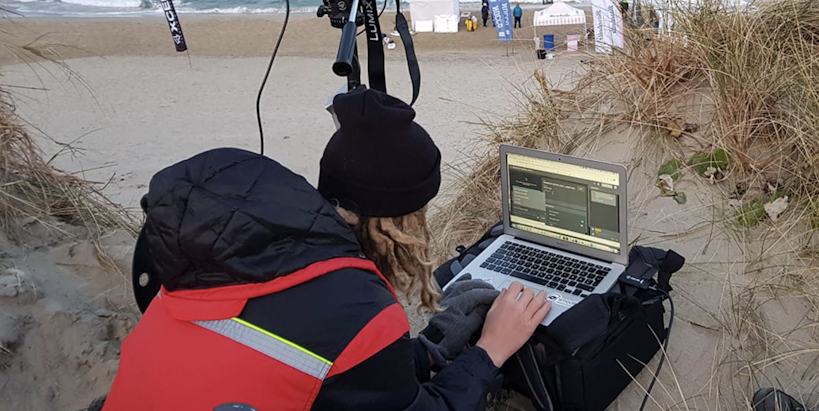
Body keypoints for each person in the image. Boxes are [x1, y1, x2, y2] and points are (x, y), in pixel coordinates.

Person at [94, 88, 551, 411]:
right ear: (401, 222)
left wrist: (429, 350)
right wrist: (489, 350)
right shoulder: (359, 310)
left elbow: (320, 364)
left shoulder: (234, 252)